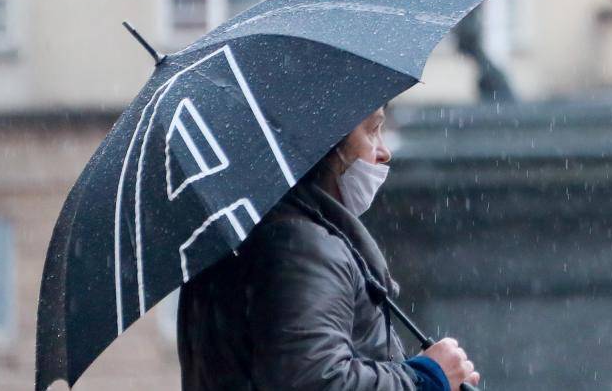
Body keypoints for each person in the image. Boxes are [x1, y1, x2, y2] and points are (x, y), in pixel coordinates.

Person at [178, 107, 479, 391]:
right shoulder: (299, 246)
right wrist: (424, 378)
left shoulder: (244, 236)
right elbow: (314, 381)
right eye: (372, 130)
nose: (384, 152)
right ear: (325, 141)